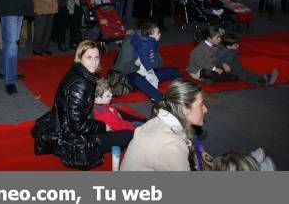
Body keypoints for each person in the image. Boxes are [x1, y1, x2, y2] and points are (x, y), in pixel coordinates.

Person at [51, 41, 135, 169]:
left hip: (82, 119)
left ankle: (144, 122)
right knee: (128, 134)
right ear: (80, 58)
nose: (94, 62)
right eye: (89, 57)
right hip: (76, 138)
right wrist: (104, 127)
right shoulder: (81, 84)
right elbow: (77, 126)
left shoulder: (79, 72)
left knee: (114, 111)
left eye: (96, 58)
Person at [120, 79, 208, 171]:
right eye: (201, 105)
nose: (205, 109)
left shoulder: (161, 121)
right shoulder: (171, 145)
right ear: (185, 109)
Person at [125, 23, 182, 101]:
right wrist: (147, 67)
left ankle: (186, 88)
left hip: (147, 68)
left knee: (173, 71)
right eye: (158, 33)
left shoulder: (151, 42)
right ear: (150, 35)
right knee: (145, 79)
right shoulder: (143, 43)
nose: (160, 34)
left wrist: (152, 62)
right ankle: (159, 98)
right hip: (135, 73)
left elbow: (157, 62)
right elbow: (143, 58)